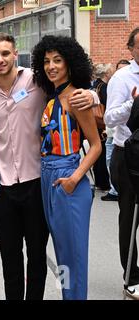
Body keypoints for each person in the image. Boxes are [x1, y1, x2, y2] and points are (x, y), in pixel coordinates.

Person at [0, 33, 98, 300]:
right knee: (11, 258)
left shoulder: (36, 82)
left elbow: (74, 95)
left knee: (45, 255)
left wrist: (92, 95)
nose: (0, 59)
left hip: (40, 182)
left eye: (5, 54)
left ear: (15, 54)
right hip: (6, 185)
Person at [31, 35, 102, 300]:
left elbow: (96, 146)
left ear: (70, 64)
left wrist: (74, 178)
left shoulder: (76, 98)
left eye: (57, 61)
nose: (51, 66)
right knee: (62, 253)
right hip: (47, 177)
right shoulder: (51, 98)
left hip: (68, 177)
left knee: (74, 255)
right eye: (47, 61)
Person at [104, 27, 139, 300]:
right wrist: (133, 104)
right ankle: (131, 278)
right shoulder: (122, 77)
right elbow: (109, 118)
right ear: (131, 49)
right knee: (129, 217)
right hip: (128, 157)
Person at [102, 59, 131, 202]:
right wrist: (132, 104)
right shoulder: (117, 82)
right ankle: (114, 189)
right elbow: (109, 117)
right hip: (118, 140)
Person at [91, 63, 114, 192]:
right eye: (111, 71)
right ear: (106, 74)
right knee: (103, 152)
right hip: (102, 122)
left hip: (95, 122)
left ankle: (99, 181)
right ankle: (104, 182)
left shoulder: (95, 85)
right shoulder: (104, 87)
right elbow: (107, 104)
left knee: (98, 151)